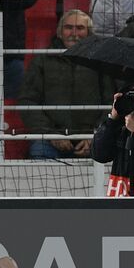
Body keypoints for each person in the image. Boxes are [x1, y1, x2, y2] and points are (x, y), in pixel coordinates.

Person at [19, 10, 117, 160]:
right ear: (60, 32)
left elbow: (112, 101)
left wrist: (96, 135)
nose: (74, 33)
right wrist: (50, 134)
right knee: (39, 151)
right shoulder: (42, 60)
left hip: (92, 138)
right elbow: (28, 101)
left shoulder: (101, 63)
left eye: (80, 28)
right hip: (49, 139)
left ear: (89, 33)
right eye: (68, 27)